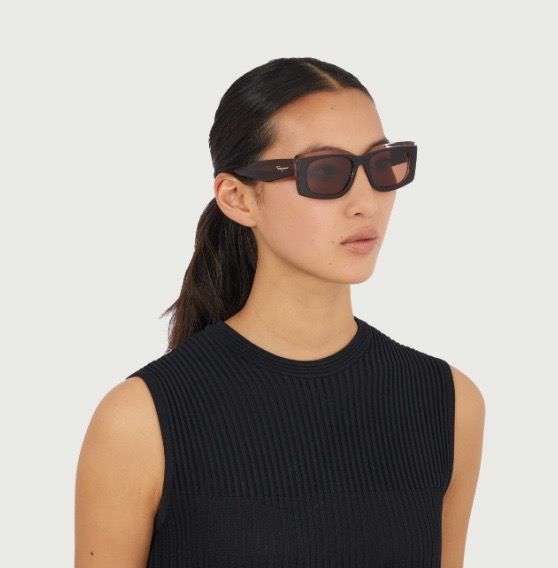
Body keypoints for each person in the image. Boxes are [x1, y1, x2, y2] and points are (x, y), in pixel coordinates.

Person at [75, 57, 485, 568]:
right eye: (326, 172)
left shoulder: (448, 403)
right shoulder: (139, 421)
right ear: (238, 198)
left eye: (382, 166)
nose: (367, 202)